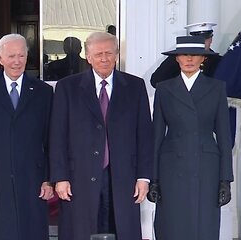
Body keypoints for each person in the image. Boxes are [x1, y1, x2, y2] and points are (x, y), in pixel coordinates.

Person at [50, 32, 153, 240]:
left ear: (117, 55)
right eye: (98, 54)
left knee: (121, 229)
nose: (104, 58)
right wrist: (60, 177)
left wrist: (144, 177)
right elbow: (57, 136)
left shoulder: (135, 86)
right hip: (79, 176)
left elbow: (144, 135)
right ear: (88, 57)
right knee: (82, 231)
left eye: (109, 53)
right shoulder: (67, 88)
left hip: (123, 176)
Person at [0, 33, 54, 240]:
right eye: (11, 56)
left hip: (33, 179)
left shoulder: (43, 92)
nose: (17, 61)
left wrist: (49, 179)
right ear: (0, 58)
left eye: (21, 56)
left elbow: (51, 139)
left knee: (31, 231)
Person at [148, 36, 233, 240]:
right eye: (184, 54)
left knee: (204, 225)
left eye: (195, 54)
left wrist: (225, 180)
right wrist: (154, 179)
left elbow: (224, 136)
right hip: (171, 167)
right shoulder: (164, 89)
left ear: (203, 58)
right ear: (176, 58)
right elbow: (157, 135)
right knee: (171, 224)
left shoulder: (217, 88)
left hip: (206, 168)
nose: (189, 59)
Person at [150, 22, 221, 88]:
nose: (202, 42)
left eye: (205, 39)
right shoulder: (179, 58)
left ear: (211, 39)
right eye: (197, 39)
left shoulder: (219, 61)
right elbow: (156, 81)